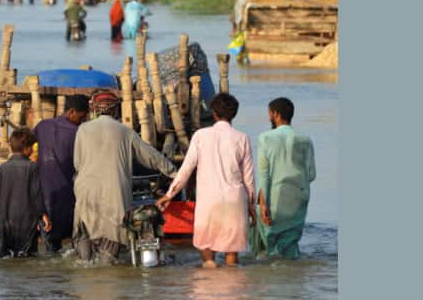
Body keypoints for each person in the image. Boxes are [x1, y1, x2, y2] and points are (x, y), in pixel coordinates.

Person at [72, 90, 177, 264]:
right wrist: (174, 172)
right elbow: (151, 156)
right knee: (112, 236)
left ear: (95, 109)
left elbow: (77, 163)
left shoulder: (83, 129)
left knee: (84, 230)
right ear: (115, 110)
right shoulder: (125, 131)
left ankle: (86, 265)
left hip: (86, 190)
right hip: (115, 192)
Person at [156, 93, 256, 268]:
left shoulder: (201, 136)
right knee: (232, 255)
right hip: (235, 200)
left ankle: (209, 276)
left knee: (206, 248)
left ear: (214, 113)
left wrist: (169, 195)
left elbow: (186, 169)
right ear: (234, 114)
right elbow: (248, 179)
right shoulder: (242, 138)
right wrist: (251, 208)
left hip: (209, 201)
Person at [250, 97, 316, 260]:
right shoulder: (305, 139)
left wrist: (263, 204)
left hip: (275, 197)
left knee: (268, 248)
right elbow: (312, 175)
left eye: (270, 114)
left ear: (276, 114)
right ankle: (293, 282)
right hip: (299, 197)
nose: (269, 117)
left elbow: (264, 175)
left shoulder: (265, 138)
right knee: (291, 247)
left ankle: (275, 281)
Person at [33, 95, 89, 252]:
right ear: (71, 112)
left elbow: (30, 144)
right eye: (82, 116)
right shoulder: (78, 133)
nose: (83, 120)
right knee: (74, 239)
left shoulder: (43, 126)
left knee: (51, 243)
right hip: (67, 194)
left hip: (44, 195)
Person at [0, 128, 52, 257]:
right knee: (28, 255)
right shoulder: (32, 167)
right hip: (27, 220)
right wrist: (43, 215)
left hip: (5, 219)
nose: (32, 150)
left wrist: (8, 204)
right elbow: (36, 194)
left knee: (7, 256)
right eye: (31, 147)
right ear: (26, 148)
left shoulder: (2, 168)